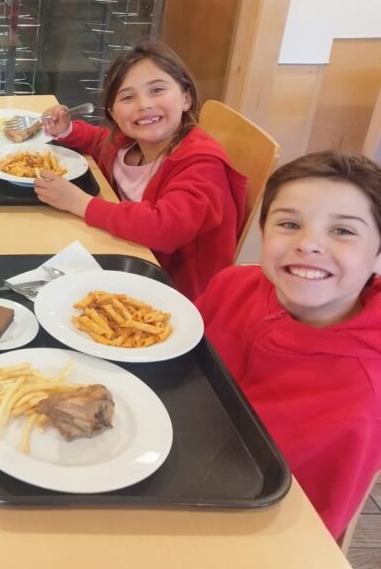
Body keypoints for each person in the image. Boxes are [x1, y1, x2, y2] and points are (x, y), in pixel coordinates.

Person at [195, 152, 381, 540]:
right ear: (263, 233)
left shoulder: (361, 403)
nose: (308, 244)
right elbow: (180, 361)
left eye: (343, 231)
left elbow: (308, 533)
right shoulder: (233, 284)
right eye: (290, 224)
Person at [33, 40, 246, 299]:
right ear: (113, 113)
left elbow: (165, 227)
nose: (143, 104)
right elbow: (99, 140)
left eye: (157, 90)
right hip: (130, 256)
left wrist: (81, 203)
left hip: (174, 290)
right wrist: (67, 130)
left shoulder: (203, 164)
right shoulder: (127, 144)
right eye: (127, 97)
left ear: (186, 98)